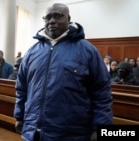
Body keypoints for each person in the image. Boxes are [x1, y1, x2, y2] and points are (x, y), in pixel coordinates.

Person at [14, 3, 113, 141]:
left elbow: (101, 92)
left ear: (69, 19)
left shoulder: (87, 50)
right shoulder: (32, 52)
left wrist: (99, 127)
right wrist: (19, 116)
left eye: (58, 16)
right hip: (33, 132)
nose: (52, 21)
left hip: (70, 134)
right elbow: (21, 88)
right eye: (48, 17)